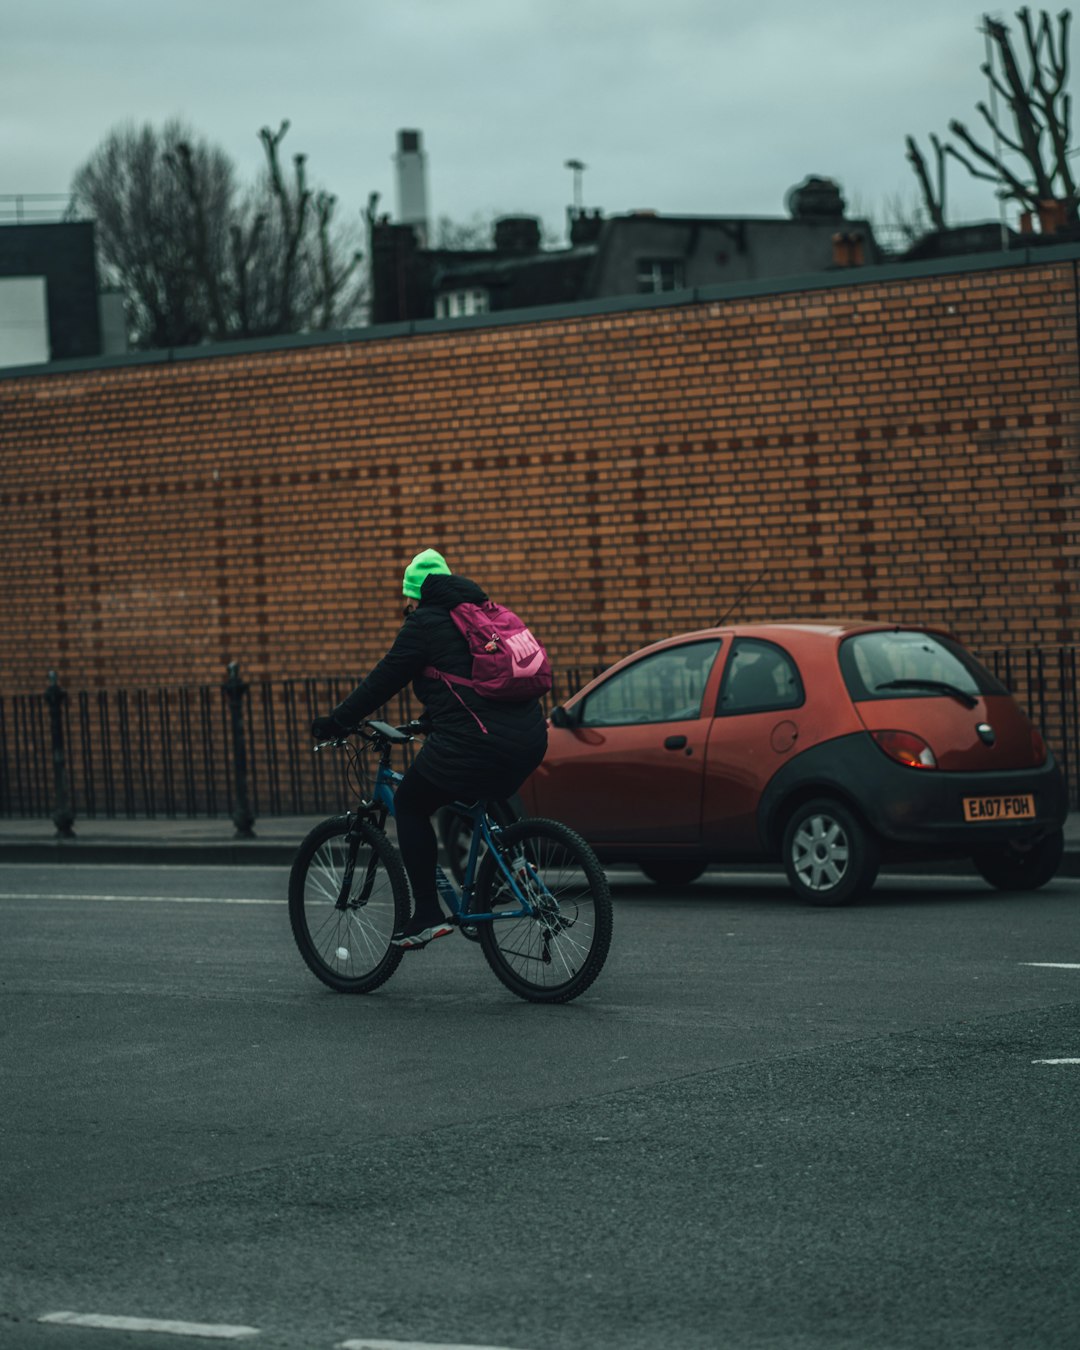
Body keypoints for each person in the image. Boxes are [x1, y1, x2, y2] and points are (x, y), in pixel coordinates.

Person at [310, 549, 549, 949]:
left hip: (478, 741)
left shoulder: (423, 624)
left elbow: (382, 680)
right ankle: (514, 863)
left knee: (410, 803)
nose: (407, 606)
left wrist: (336, 721)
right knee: (476, 788)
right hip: (530, 738)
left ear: (417, 594)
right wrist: (431, 720)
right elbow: (467, 685)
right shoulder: (480, 615)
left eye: (408, 598)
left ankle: (426, 915)